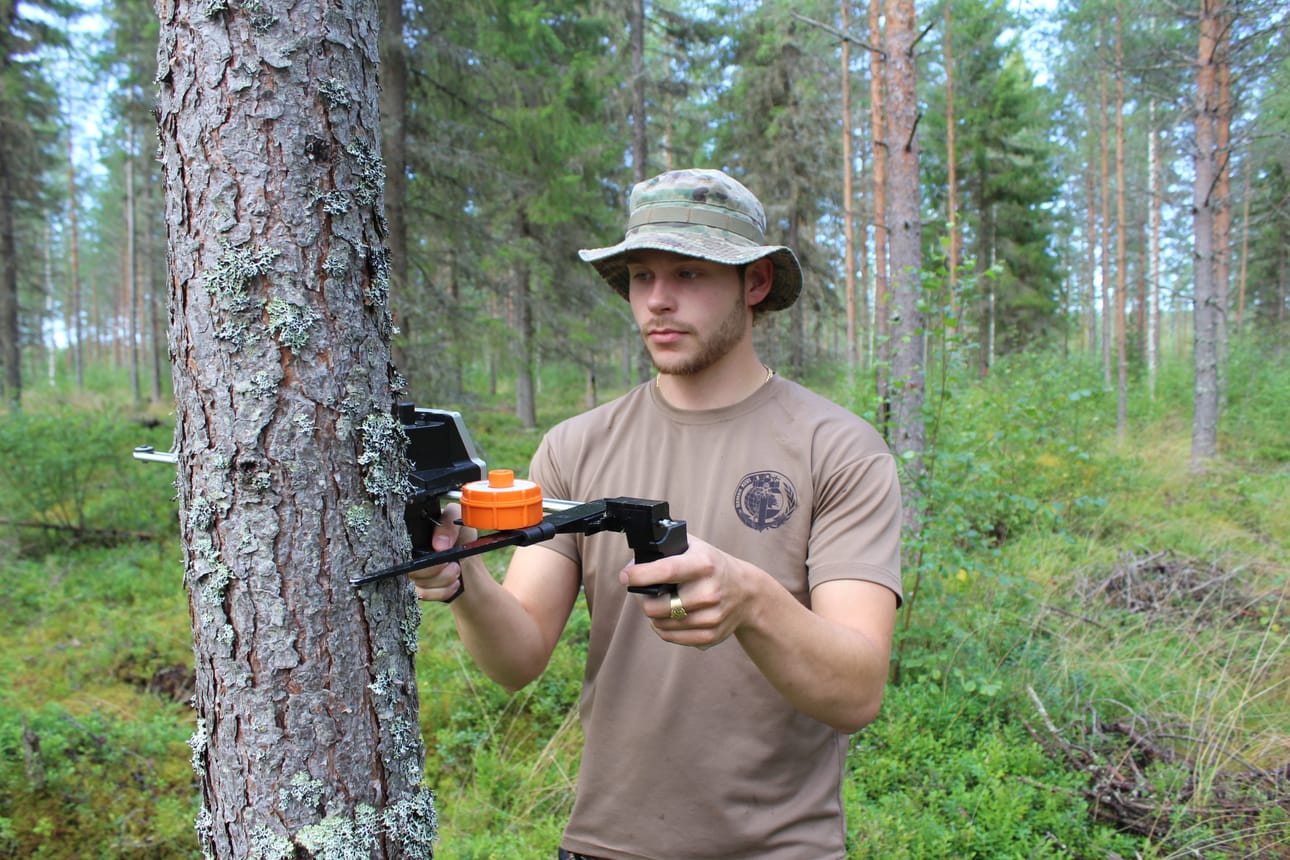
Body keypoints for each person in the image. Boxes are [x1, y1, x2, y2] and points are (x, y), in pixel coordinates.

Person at [412, 168, 903, 860]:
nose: (659, 300)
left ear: (754, 283)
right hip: (606, 844)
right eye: (641, 276)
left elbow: (856, 692)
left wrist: (749, 598)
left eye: (689, 273)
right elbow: (518, 656)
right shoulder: (577, 446)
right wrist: (461, 578)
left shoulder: (838, 449)